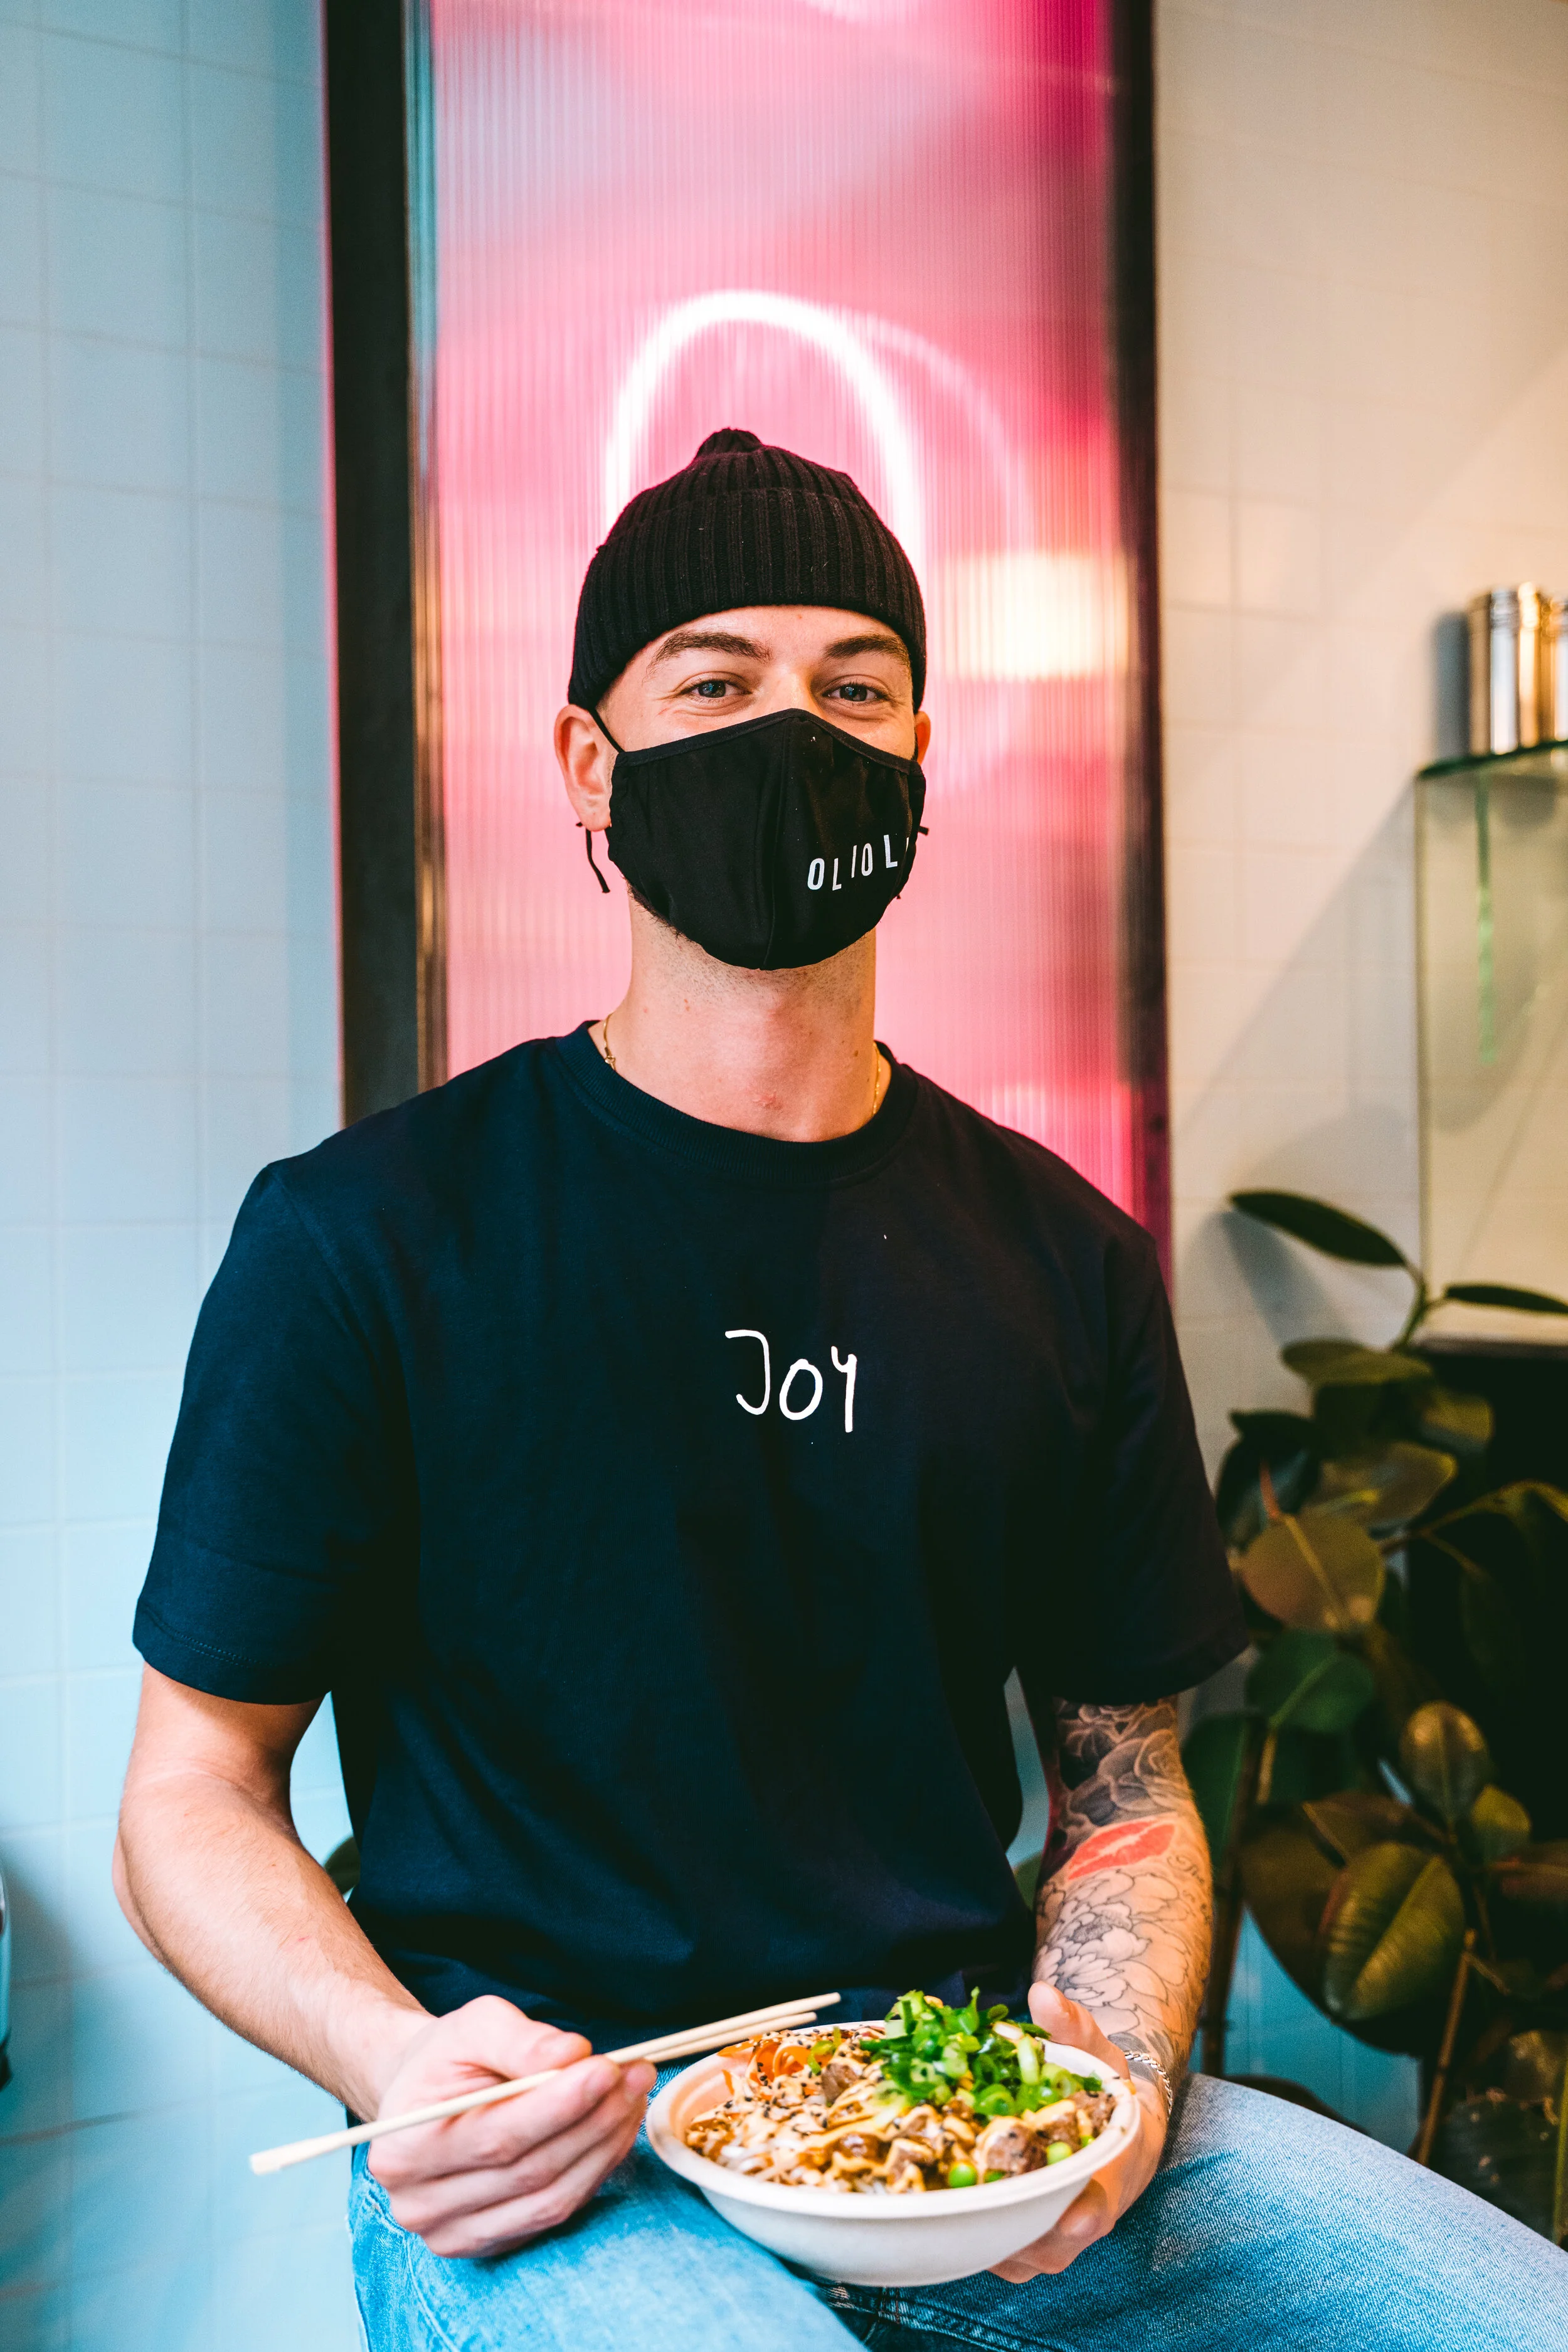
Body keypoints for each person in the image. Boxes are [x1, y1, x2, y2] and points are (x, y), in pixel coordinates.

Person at [115, 431, 1567, 2351]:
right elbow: (192, 1788)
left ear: (916, 759)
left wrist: (1112, 2081)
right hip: (566, 2145)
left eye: (852, 687)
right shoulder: (366, 1236)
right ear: (588, 763)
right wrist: (393, 2056)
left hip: (962, 2097)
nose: (791, 730)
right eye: (715, 681)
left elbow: (1124, 1794)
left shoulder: (1061, 1255)